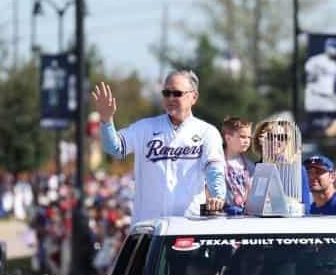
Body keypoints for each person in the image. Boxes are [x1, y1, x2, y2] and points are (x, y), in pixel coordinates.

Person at [92, 71, 226, 224]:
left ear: (193, 97)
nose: (170, 98)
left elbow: (214, 170)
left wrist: (218, 196)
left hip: (190, 225)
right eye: (166, 93)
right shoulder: (145, 128)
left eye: (177, 93)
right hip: (148, 227)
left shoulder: (207, 132)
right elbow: (115, 149)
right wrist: (106, 120)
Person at [252, 118, 311, 212]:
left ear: (287, 141)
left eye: (281, 137)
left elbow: (306, 208)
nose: (276, 141)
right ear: (260, 140)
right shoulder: (252, 169)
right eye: (270, 137)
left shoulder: (297, 170)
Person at [221, 116, 255, 215]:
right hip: (224, 215)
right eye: (242, 137)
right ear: (228, 138)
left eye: (249, 137)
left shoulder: (250, 166)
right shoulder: (217, 162)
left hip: (245, 215)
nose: (247, 141)